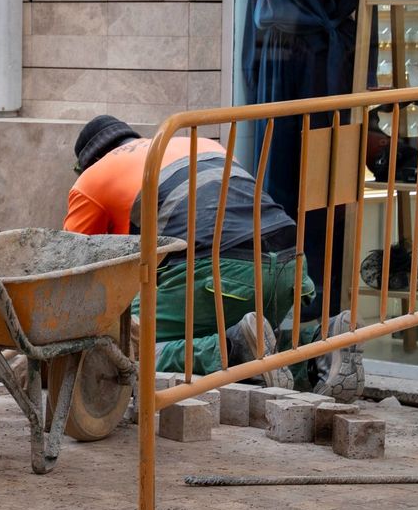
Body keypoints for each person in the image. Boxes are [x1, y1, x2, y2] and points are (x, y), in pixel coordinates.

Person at [65, 115, 361, 397]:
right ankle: (321, 348)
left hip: (220, 274)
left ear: (88, 162)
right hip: (290, 267)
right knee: (248, 336)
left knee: (121, 343)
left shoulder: (92, 179)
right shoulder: (196, 144)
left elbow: (69, 268)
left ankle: (231, 350)